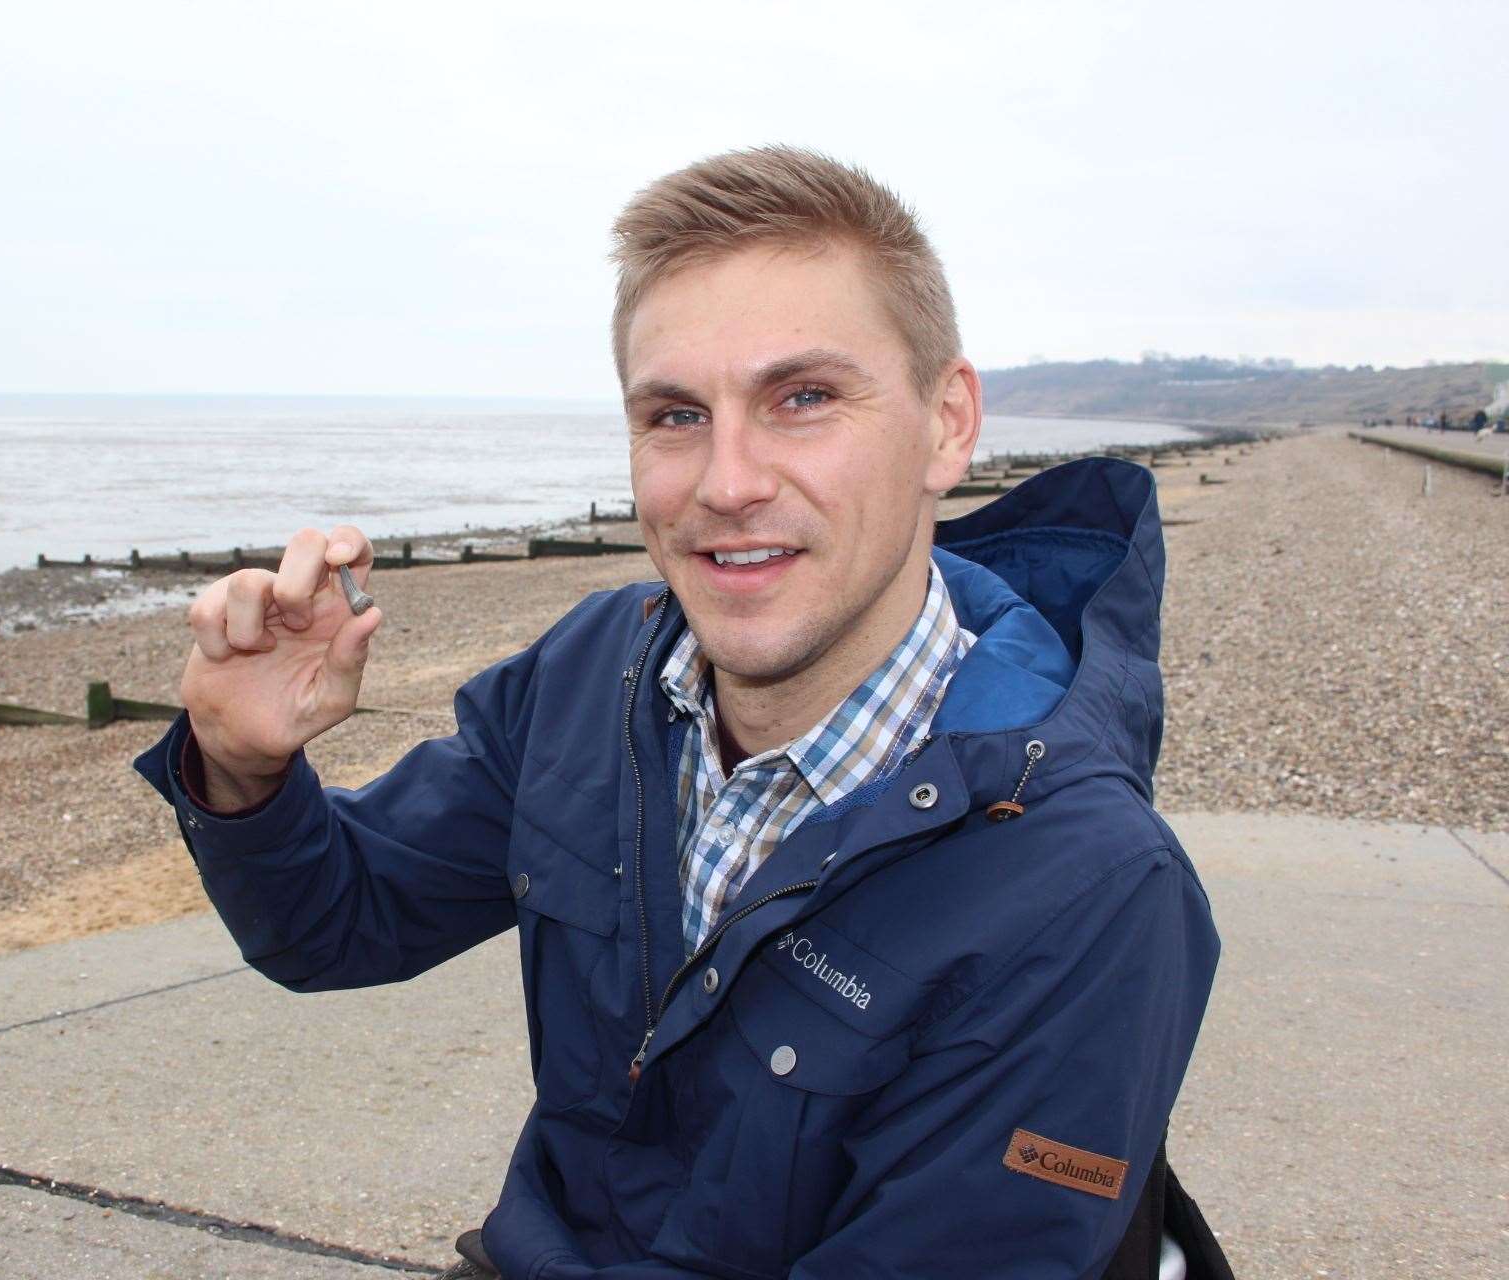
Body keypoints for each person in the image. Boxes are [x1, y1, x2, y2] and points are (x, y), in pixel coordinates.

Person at [136, 147, 1226, 1279]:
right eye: (674, 414)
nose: (727, 481)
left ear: (947, 424)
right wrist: (241, 769)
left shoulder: (1086, 885)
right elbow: (335, 923)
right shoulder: (597, 671)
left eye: (802, 398)